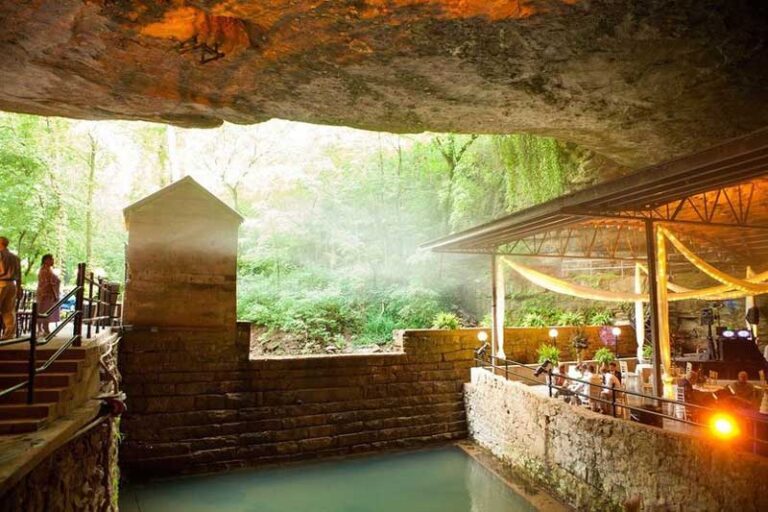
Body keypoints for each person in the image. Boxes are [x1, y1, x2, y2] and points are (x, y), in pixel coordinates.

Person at [0, 236, 21, 340]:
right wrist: (19, 287)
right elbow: (19, 274)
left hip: (1, 283)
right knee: (8, 310)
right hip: (12, 284)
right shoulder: (15, 257)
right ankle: (9, 334)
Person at [36, 254, 61, 336]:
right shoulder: (44, 271)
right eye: (51, 259)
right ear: (46, 260)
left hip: (47, 294)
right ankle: (44, 329)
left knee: (45, 311)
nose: (53, 261)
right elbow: (48, 284)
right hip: (45, 294)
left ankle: (44, 329)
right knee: (44, 311)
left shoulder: (49, 270)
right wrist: (54, 294)